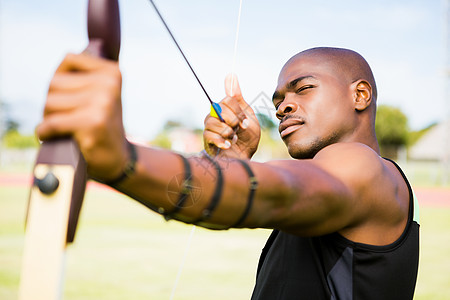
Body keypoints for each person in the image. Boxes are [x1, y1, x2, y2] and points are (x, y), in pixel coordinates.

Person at [37, 47, 419, 299]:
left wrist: (121, 159)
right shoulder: (334, 178)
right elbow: (251, 194)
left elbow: (278, 192)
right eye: (279, 100)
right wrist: (234, 163)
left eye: (302, 89)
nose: (284, 106)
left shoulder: (366, 169)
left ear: (360, 95)